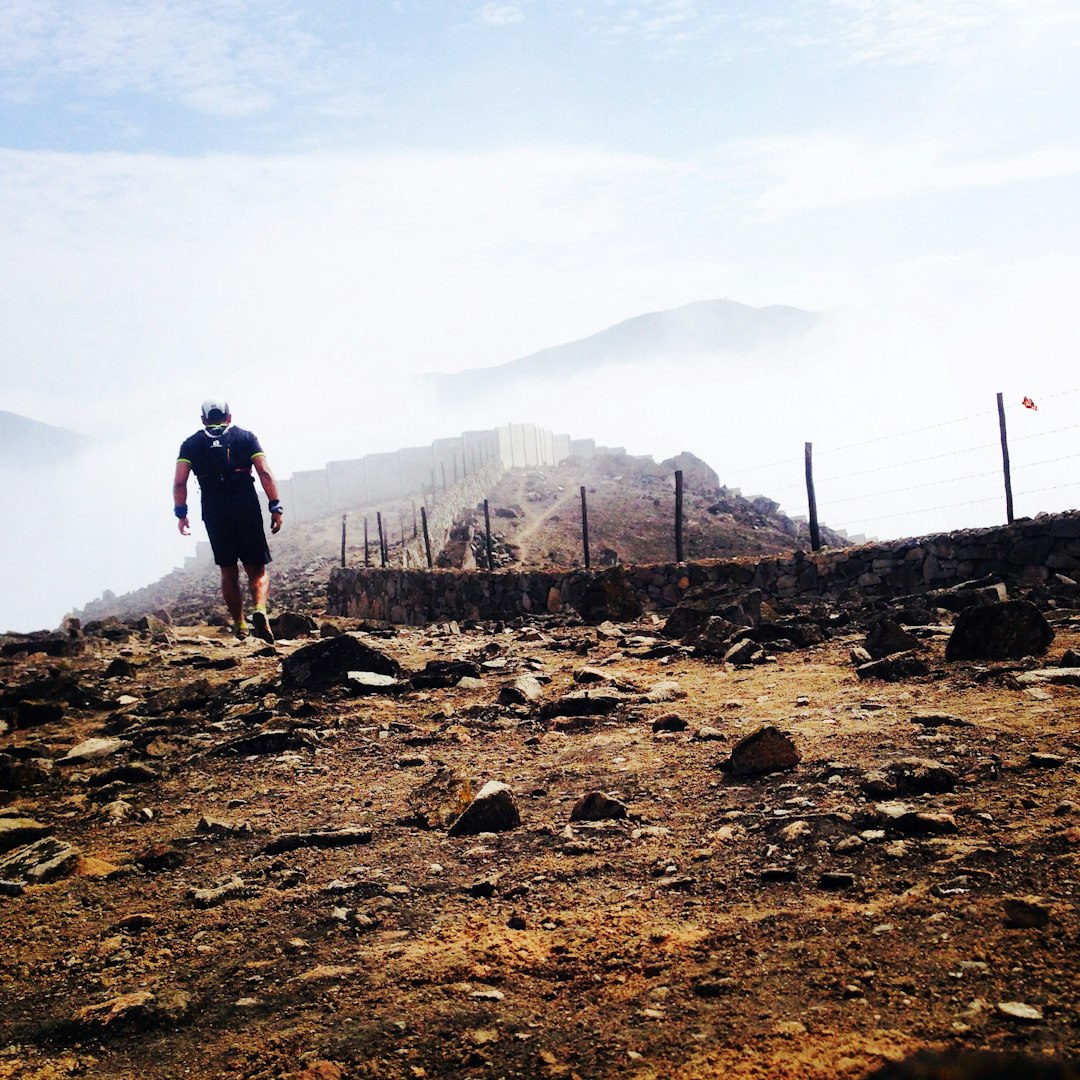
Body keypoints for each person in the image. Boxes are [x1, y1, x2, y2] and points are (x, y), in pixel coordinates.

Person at [173, 398, 283, 644]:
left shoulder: (190, 444)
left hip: (214, 510)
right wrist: (275, 505)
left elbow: (180, 482)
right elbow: (264, 471)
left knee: (228, 571)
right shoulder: (246, 437)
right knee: (258, 568)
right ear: (229, 417)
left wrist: (181, 513)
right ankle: (260, 611)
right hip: (245, 506)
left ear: (203, 420)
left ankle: (241, 625)